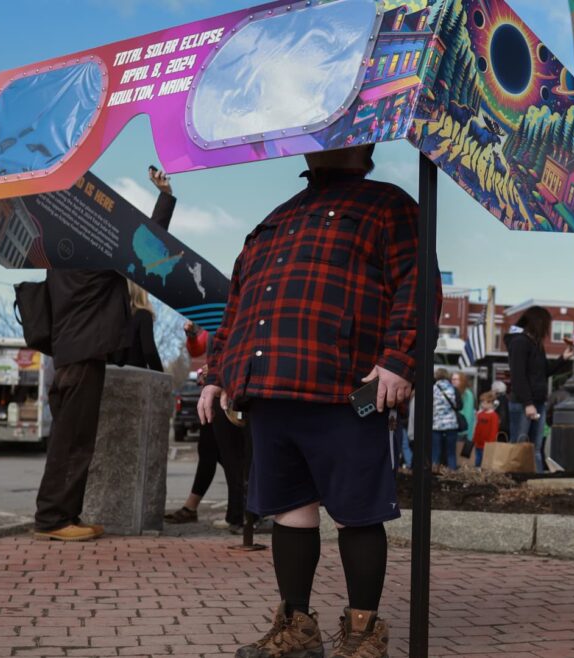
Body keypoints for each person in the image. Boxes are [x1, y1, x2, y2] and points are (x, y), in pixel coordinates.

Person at [200, 144, 436, 658]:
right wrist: (216, 375)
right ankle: (298, 629)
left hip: (346, 388)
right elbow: (237, 304)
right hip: (267, 385)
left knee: (357, 512)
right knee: (290, 512)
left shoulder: (389, 205)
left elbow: (418, 286)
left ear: (367, 143)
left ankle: (362, 633)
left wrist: (399, 359)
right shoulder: (275, 219)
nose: (327, 140)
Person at [34, 167, 176, 541]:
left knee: (69, 438)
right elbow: (148, 242)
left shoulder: (58, 255)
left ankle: (65, 514)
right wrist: (165, 196)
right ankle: (53, 519)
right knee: (74, 441)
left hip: (66, 355)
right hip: (83, 357)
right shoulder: (94, 257)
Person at [164, 322, 250, 534]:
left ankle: (240, 515)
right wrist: (192, 335)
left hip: (226, 394)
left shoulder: (233, 316)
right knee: (208, 451)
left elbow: (237, 351)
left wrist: (215, 373)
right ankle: (193, 507)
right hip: (213, 393)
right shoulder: (214, 322)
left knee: (233, 458)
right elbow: (197, 348)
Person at [503, 306, 574, 473]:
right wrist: (528, 403)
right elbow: (518, 376)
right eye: (547, 324)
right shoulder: (519, 342)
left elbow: (544, 371)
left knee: (536, 448)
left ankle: (536, 483)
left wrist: (563, 358)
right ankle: (515, 484)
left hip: (537, 402)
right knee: (519, 447)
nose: (548, 329)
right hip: (523, 404)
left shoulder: (535, 344)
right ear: (538, 322)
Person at [115, 281, 163, 371]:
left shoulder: (116, 315)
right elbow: (149, 351)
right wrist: (162, 375)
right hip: (135, 375)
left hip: (111, 374)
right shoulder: (143, 315)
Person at [432, 369, 460, 471]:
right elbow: (460, 406)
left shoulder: (433, 389)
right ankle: (452, 474)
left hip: (436, 425)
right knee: (451, 452)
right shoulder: (453, 388)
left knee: (436, 451)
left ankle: (434, 473)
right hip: (451, 424)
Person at [471, 391, 500, 467]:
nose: (482, 404)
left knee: (485, 461)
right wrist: (474, 439)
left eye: (485, 402)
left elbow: (494, 430)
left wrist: (490, 442)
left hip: (487, 444)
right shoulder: (479, 414)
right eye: (482, 402)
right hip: (478, 442)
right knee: (477, 460)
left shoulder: (494, 416)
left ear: (491, 403)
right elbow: (476, 428)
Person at [452, 371, 475, 457]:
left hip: (462, 429)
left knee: (458, 454)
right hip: (453, 427)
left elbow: (468, 414)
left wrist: (468, 432)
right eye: (452, 379)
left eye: (456, 379)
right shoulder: (452, 391)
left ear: (462, 380)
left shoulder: (467, 394)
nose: (453, 381)